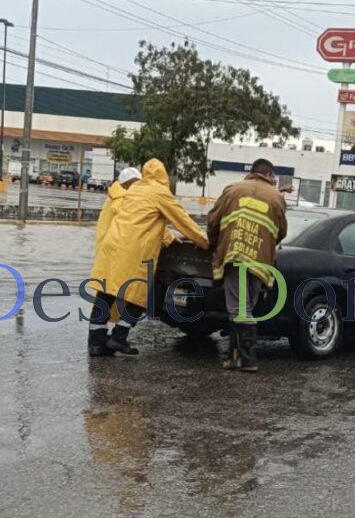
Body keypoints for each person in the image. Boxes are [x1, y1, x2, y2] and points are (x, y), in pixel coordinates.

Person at [88, 159, 209, 356]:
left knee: (106, 293)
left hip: (112, 246)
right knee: (138, 297)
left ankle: (96, 343)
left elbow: (141, 219)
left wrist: (167, 236)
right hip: (134, 251)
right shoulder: (159, 192)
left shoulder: (135, 190)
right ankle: (118, 337)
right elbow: (183, 221)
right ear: (163, 175)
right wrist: (204, 242)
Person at [207, 158, 288, 372]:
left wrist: (214, 245)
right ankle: (237, 359)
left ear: (252, 172)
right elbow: (281, 232)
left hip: (235, 255)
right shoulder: (277, 197)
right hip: (260, 262)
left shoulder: (233, 189)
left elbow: (213, 221)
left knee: (238, 309)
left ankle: (247, 359)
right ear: (270, 176)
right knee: (246, 308)